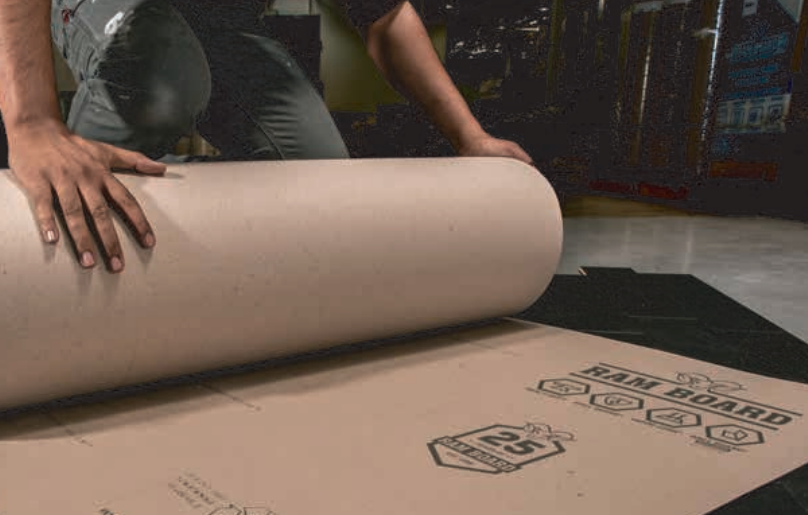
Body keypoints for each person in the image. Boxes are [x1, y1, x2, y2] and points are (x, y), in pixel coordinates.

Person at [0, 0, 533, 273]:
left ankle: (175, 248)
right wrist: (33, 123)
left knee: (321, 194)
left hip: (224, 23)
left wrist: (469, 137)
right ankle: (43, 266)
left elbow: (388, 19)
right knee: (163, 83)